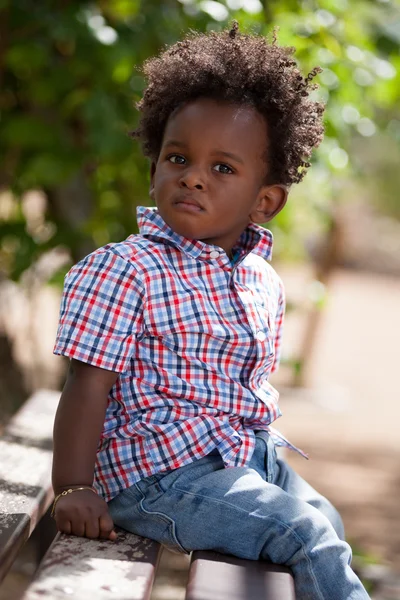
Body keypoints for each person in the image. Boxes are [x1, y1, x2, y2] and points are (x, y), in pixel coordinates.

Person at [52, 22, 370, 600]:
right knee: (305, 532)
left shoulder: (258, 279)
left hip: (239, 461)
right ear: (154, 171)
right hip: (154, 477)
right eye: (178, 158)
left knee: (326, 518)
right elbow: (86, 385)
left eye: (223, 168)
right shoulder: (127, 269)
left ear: (265, 201)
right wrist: (73, 487)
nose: (193, 175)